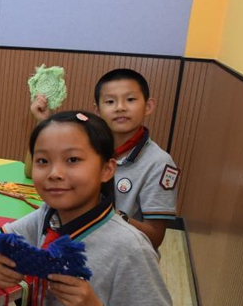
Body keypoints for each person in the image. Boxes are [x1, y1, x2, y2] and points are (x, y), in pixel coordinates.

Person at [0, 111, 176, 306]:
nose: (55, 173)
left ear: (107, 169)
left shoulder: (130, 247)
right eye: (43, 161)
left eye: (73, 159)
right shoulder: (48, 216)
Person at [30, 69, 178, 249]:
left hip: (121, 257)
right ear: (97, 110)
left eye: (130, 99)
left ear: (148, 106)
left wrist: (106, 213)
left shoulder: (159, 163)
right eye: (110, 101)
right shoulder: (85, 148)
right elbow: (30, 172)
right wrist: (42, 122)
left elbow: (155, 237)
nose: (120, 107)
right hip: (76, 249)